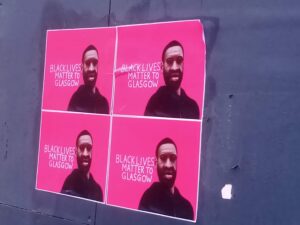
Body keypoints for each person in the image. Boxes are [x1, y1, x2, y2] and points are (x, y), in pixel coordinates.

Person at [139, 138, 194, 220]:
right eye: (163, 158)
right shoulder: (148, 199)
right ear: (156, 163)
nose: (168, 165)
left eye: (172, 158)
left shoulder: (187, 207)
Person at [144, 40, 199, 119]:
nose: (175, 67)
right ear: (162, 67)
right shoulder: (154, 104)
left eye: (179, 60)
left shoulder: (193, 107)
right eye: (169, 61)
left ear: (183, 64)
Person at [61, 130, 103, 201]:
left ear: (92, 152)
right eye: (82, 148)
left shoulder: (98, 190)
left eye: (89, 148)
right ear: (76, 152)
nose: (85, 154)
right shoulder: (69, 183)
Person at [68, 45, 109, 114]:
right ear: (82, 68)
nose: (91, 69)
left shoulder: (104, 103)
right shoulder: (75, 100)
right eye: (87, 63)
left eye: (95, 63)